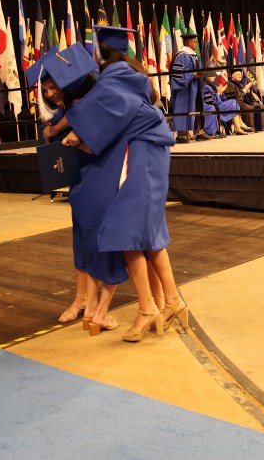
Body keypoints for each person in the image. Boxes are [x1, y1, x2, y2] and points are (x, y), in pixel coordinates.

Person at [63, 25, 188, 342]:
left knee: (126, 233)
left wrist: (76, 133)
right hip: (148, 153)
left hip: (143, 154)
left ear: (103, 52)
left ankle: (150, 308)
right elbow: (113, 113)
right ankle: (171, 301)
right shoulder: (131, 74)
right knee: (147, 237)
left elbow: (102, 109)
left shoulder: (115, 76)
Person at [35, 45, 125, 333]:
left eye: (53, 87)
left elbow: (90, 126)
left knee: (98, 236)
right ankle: (82, 299)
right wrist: (52, 131)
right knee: (81, 237)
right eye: (46, 90)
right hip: (80, 175)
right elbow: (65, 125)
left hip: (101, 170)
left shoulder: (99, 98)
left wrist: (63, 130)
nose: (50, 94)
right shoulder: (68, 106)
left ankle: (100, 306)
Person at [169, 32, 201, 143]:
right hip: (183, 88)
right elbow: (179, 74)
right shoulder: (182, 55)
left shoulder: (192, 54)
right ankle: (181, 134)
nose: (196, 44)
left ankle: (188, 132)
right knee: (182, 107)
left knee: (191, 108)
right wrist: (193, 75)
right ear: (189, 42)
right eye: (195, 42)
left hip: (192, 86)